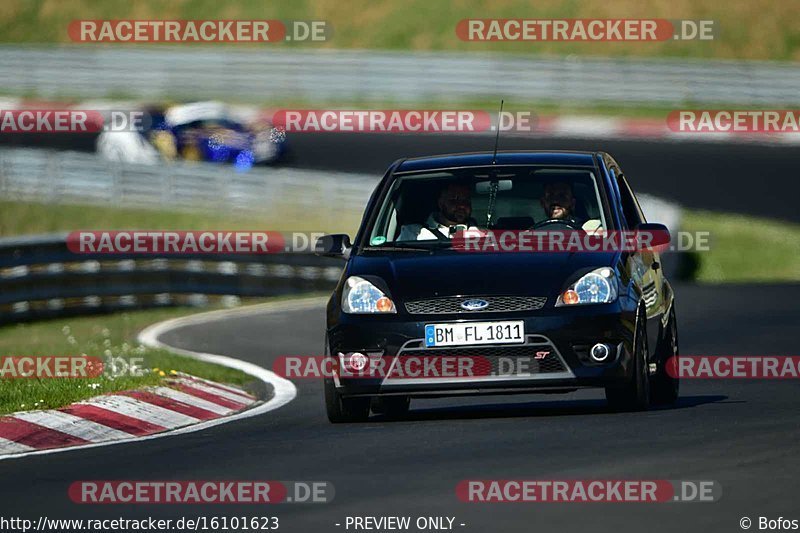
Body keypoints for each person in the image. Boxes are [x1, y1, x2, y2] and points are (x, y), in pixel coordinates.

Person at [398, 182, 478, 240]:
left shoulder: (484, 234)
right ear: (440, 203)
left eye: (466, 200)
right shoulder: (412, 233)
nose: (462, 205)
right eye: (454, 200)